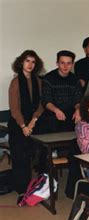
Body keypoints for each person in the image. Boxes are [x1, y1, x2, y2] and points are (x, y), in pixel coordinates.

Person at [8, 50, 45, 197]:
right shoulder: (15, 82)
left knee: (38, 155)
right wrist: (24, 126)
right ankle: (22, 190)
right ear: (21, 62)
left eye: (33, 62)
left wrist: (33, 122)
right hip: (18, 124)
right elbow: (14, 108)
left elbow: (41, 105)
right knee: (20, 157)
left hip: (34, 122)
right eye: (27, 61)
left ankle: (38, 186)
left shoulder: (39, 81)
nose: (30, 64)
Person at [41, 50, 82, 133]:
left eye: (69, 63)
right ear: (57, 63)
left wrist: (78, 110)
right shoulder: (48, 78)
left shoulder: (75, 80)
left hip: (70, 112)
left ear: (72, 64)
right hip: (53, 112)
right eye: (62, 63)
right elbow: (46, 101)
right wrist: (56, 110)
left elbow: (78, 100)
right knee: (51, 120)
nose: (65, 66)